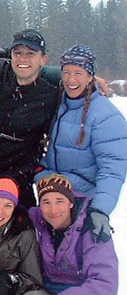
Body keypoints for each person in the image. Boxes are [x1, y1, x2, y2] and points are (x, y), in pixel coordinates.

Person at [13, 174, 120, 295]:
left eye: (59, 201)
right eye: (46, 202)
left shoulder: (92, 228)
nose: (53, 209)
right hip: (46, 293)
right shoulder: (34, 222)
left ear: (71, 202)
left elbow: (105, 283)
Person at [35, 45, 127, 242]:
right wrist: (41, 173)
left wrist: (100, 209)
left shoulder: (106, 116)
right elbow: (32, 67)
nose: (71, 80)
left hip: (83, 204)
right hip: (53, 199)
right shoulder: (62, 104)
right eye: (66, 72)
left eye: (78, 73)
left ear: (90, 77)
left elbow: (112, 169)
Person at [0, 29, 59, 207]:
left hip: (16, 178)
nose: (23, 59)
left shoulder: (51, 96)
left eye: (30, 54)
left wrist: (83, 77)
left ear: (43, 59)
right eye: (18, 53)